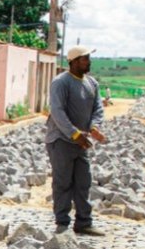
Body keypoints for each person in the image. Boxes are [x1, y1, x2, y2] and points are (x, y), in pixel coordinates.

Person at [44, 45, 107, 236]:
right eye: (84, 58)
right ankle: (62, 223)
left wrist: (94, 127)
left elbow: (98, 109)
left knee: (83, 181)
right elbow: (57, 111)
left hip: (81, 142)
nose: (88, 62)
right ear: (73, 61)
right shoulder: (61, 82)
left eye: (88, 58)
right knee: (63, 182)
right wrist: (74, 133)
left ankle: (84, 222)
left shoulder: (92, 84)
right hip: (61, 140)